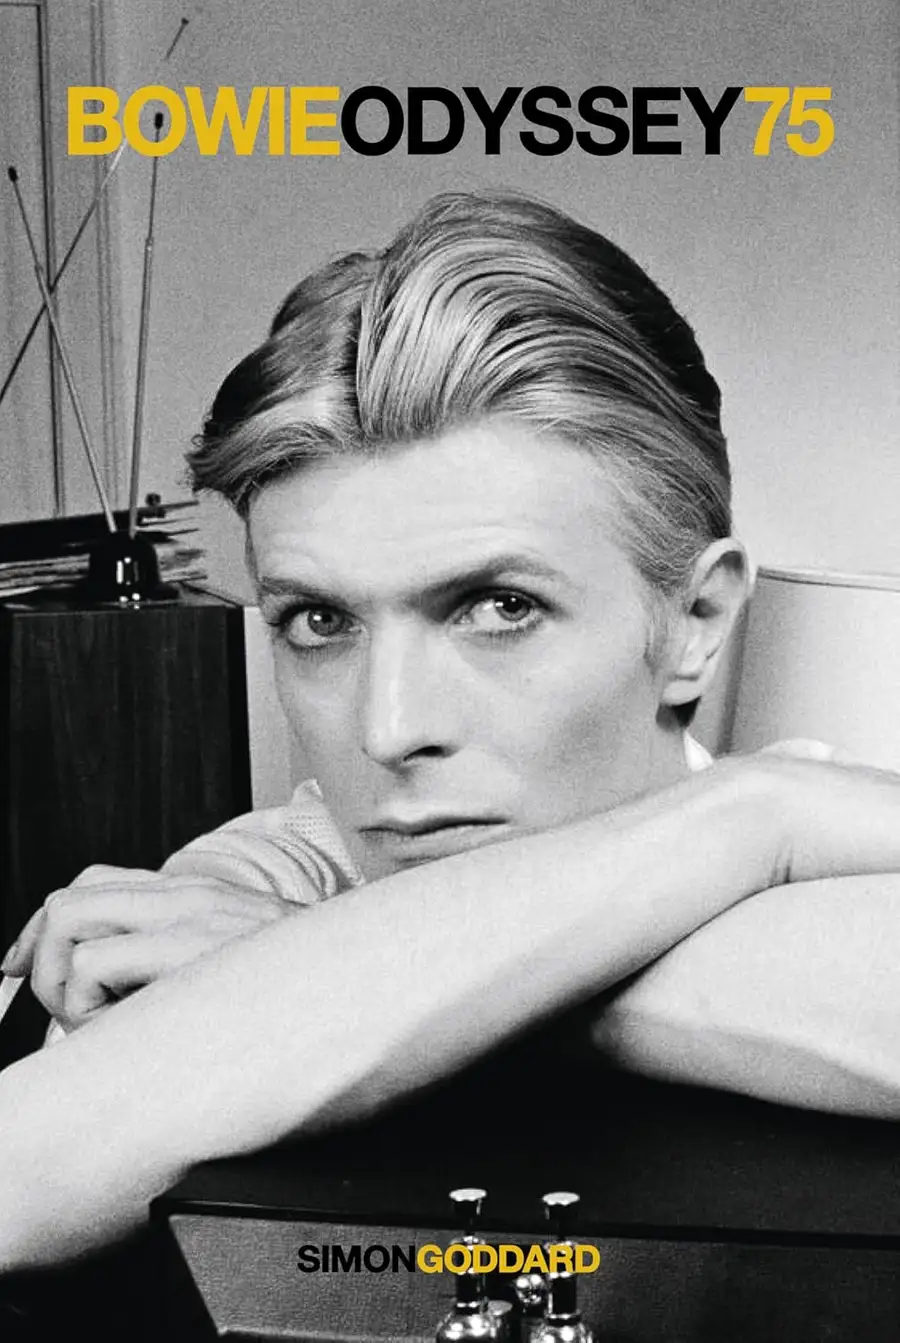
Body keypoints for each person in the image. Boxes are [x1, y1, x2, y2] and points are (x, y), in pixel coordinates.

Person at [2, 190, 900, 1272]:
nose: (389, 729)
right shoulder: (271, 869)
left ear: (697, 622)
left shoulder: (841, 860)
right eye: (318, 621)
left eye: (499, 606)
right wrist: (754, 816)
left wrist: (306, 968)